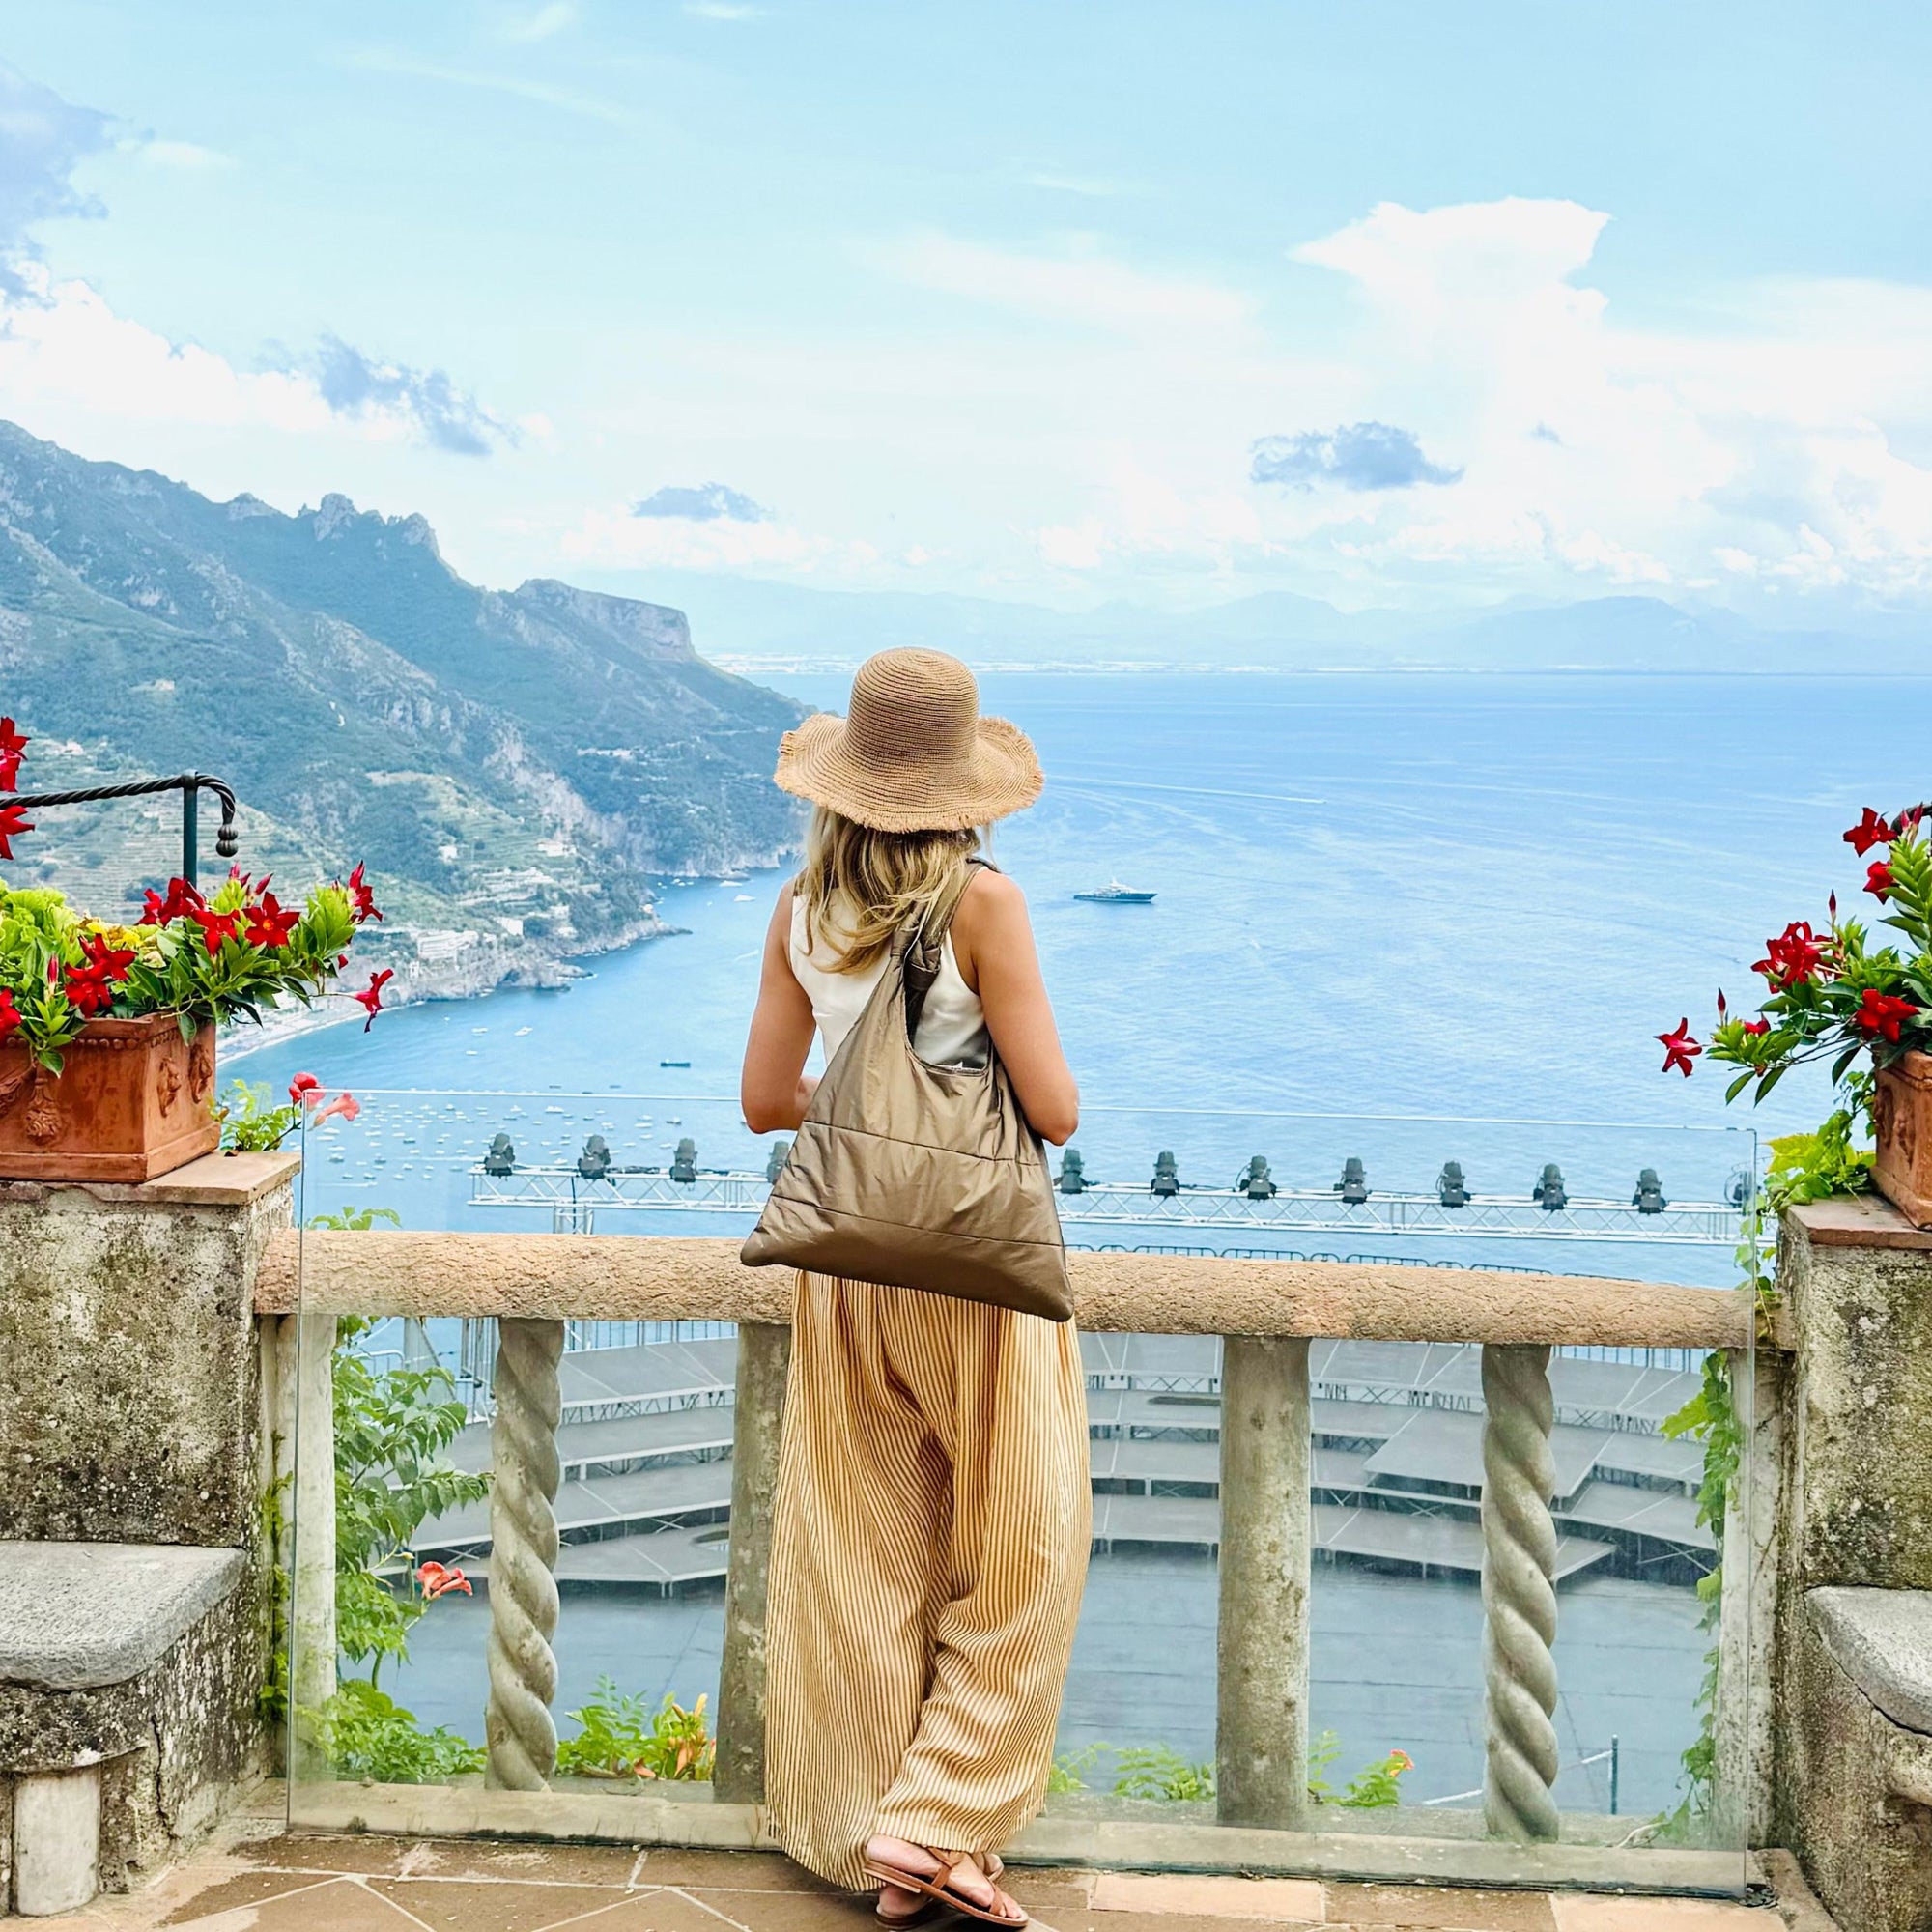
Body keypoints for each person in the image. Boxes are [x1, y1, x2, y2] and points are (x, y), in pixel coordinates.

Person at [740, 648, 1090, 1929]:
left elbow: (765, 1101)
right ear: (961, 790)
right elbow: (1052, 1108)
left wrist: (865, 1092)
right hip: (974, 1275)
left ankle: (891, 1840)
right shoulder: (983, 905)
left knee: (874, 1556)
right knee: (1022, 1551)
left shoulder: (796, 911)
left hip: (848, 1271)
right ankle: (941, 1814)